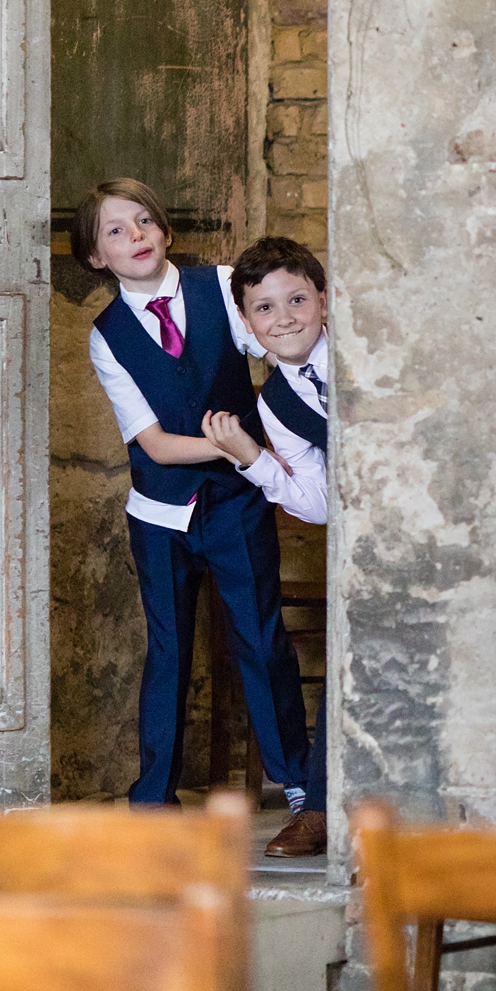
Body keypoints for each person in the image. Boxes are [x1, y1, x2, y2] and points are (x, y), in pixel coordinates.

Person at [72, 180, 311, 812]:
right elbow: (154, 445)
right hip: (160, 514)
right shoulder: (107, 336)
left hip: (237, 503)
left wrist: (272, 448)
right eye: (116, 232)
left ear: (166, 231)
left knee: (261, 641)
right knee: (170, 652)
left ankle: (301, 789)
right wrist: (236, 443)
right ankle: (154, 800)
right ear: (97, 257)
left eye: (145, 221)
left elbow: (284, 351)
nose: (136, 236)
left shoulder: (221, 287)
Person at [203, 236, 331, 858]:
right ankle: (325, 809)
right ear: (249, 324)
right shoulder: (276, 402)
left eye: (298, 299)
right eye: (265, 308)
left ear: (324, 301)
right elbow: (319, 504)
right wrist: (252, 458)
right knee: (352, 660)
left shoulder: (370, 353)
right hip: (373, 547)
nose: (284, 318)